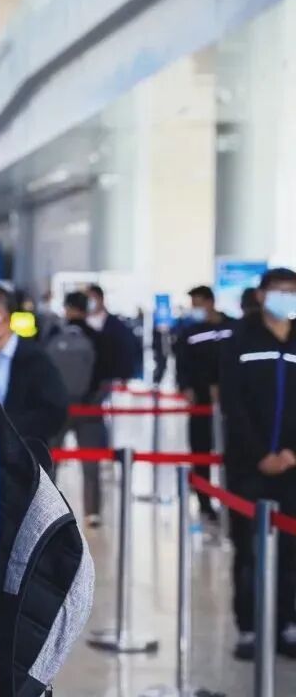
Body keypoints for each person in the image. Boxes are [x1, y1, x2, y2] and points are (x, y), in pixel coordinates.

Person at [220, 267, 296, 661]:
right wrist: (259, 455)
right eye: (279, 290)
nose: (286, 298)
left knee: (291, 549)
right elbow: (233, 404)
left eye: (292, 291)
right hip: (248, 465)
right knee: (248, 549)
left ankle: (288, 623)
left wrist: (291, 453)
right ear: (262, 295)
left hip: (293, 467)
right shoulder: (239, 340)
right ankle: (249, 627)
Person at [0, 283, 69, 447]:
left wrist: (4, 429)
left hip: (21, 454)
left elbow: (54, 413)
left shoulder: (35, 360)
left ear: (3, 319)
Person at [174, 285, 234, 521]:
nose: (195, 309)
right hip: (201, 403)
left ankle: (233, 504)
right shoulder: (190, 332)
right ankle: (205, 503)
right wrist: (186, 387)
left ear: (210, 302)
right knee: (201, 451)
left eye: (198, 304)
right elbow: (182, 364)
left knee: (233, 452)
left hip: (231, 403)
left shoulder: (233, 327)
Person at [64, 291, 105, 526]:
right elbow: (105, 372)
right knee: (91, 463)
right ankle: (92, 512)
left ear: (68, 308)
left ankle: (45, 509)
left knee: (50, 460)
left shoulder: (55, 334)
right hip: (89, 408)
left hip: (60, 407)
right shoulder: (96, 336)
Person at [85, 283, 137, 385]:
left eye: (92, 298)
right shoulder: (79, 326)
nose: (89, 302)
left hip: (109, 382)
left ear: (101, 298)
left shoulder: (117, 326)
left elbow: (126, 352)